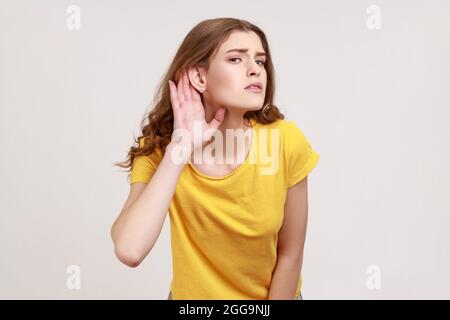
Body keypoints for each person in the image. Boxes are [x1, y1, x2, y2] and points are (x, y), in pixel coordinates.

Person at [111, 17, 320, 300]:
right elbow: (129, 249)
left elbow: (290, 255)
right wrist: (180, 148)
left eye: (260, 61)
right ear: (199, 77)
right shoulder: (161, 151)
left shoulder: (285, 141)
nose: (255, 71)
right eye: (236, 59)